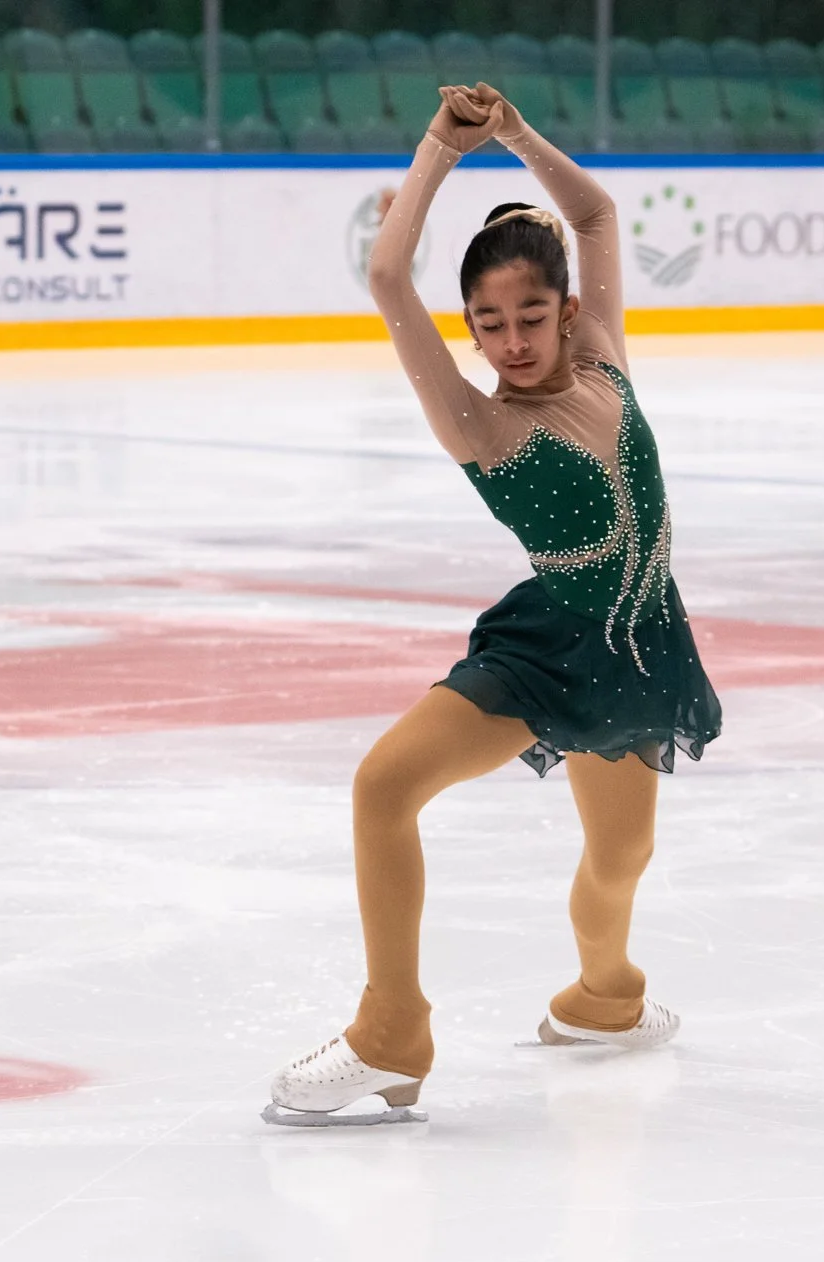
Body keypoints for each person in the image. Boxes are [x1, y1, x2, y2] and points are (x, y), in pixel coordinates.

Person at [263, 83, 722, 1127]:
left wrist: (515, 134)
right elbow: (389, 275)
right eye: (489, 324)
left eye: (529, 317)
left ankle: (605, 998)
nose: (512, 341)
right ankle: (392, 1030)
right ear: (468, 332)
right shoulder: (480, 424)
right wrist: (442, 146)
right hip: (547, 650)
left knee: (621, 860)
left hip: (643, 648)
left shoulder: (602, 356)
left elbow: (594, 214)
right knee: (384, 785)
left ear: (568, 313)